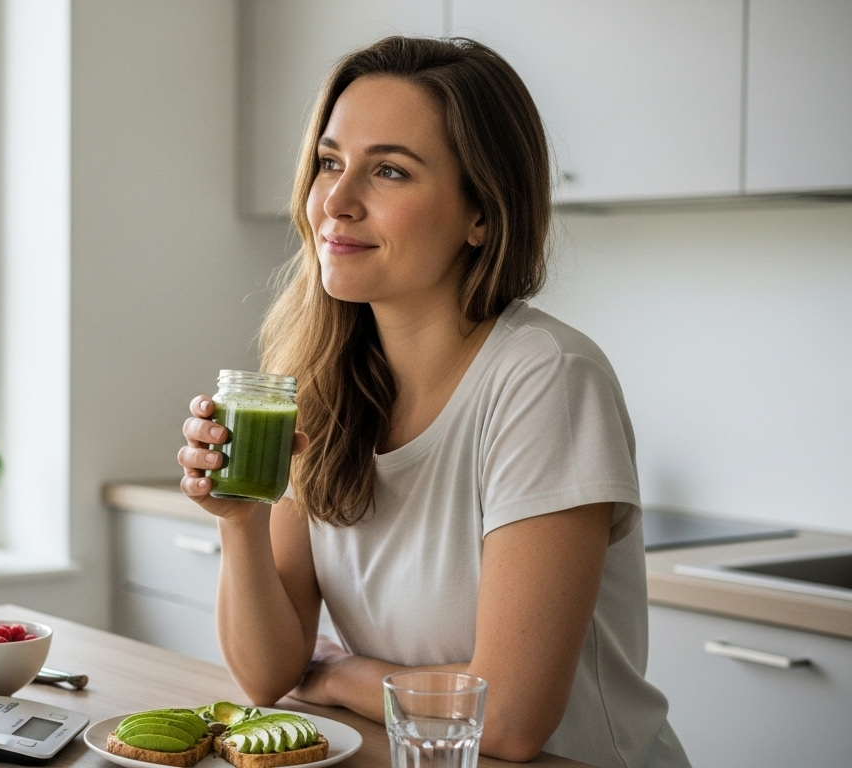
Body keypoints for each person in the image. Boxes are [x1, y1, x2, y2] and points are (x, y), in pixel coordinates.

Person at [177, 37, 690, 768]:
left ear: (481, 212)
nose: (337, 201)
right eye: (329, 162)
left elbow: (507, 722)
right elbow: (267, 674)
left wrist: (339, 673)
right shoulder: (317, 379)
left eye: (388, 171)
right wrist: (241, 518)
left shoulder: (546, 378)